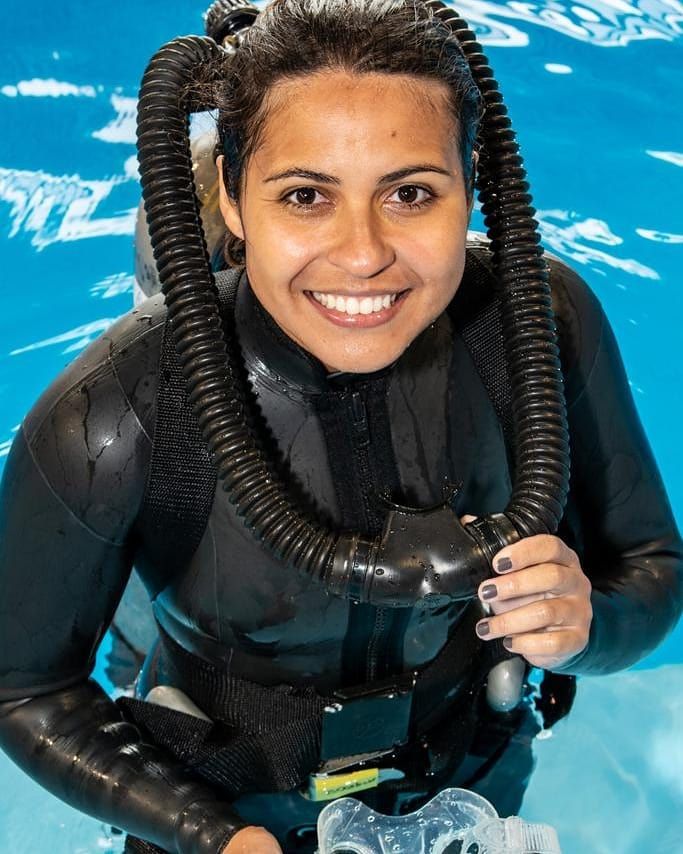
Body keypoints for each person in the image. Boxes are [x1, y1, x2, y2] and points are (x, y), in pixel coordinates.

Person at [0, 1, 681, 853]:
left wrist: (588, 627)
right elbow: (25, 689)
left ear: (471, 186)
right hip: (220, 794)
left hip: (473, 757)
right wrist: (210, 836)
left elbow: (651, 568)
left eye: (409, 193)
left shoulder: (539, 325)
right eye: (304, 195)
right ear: (234, 203)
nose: (362, 254)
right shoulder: (116, 416)